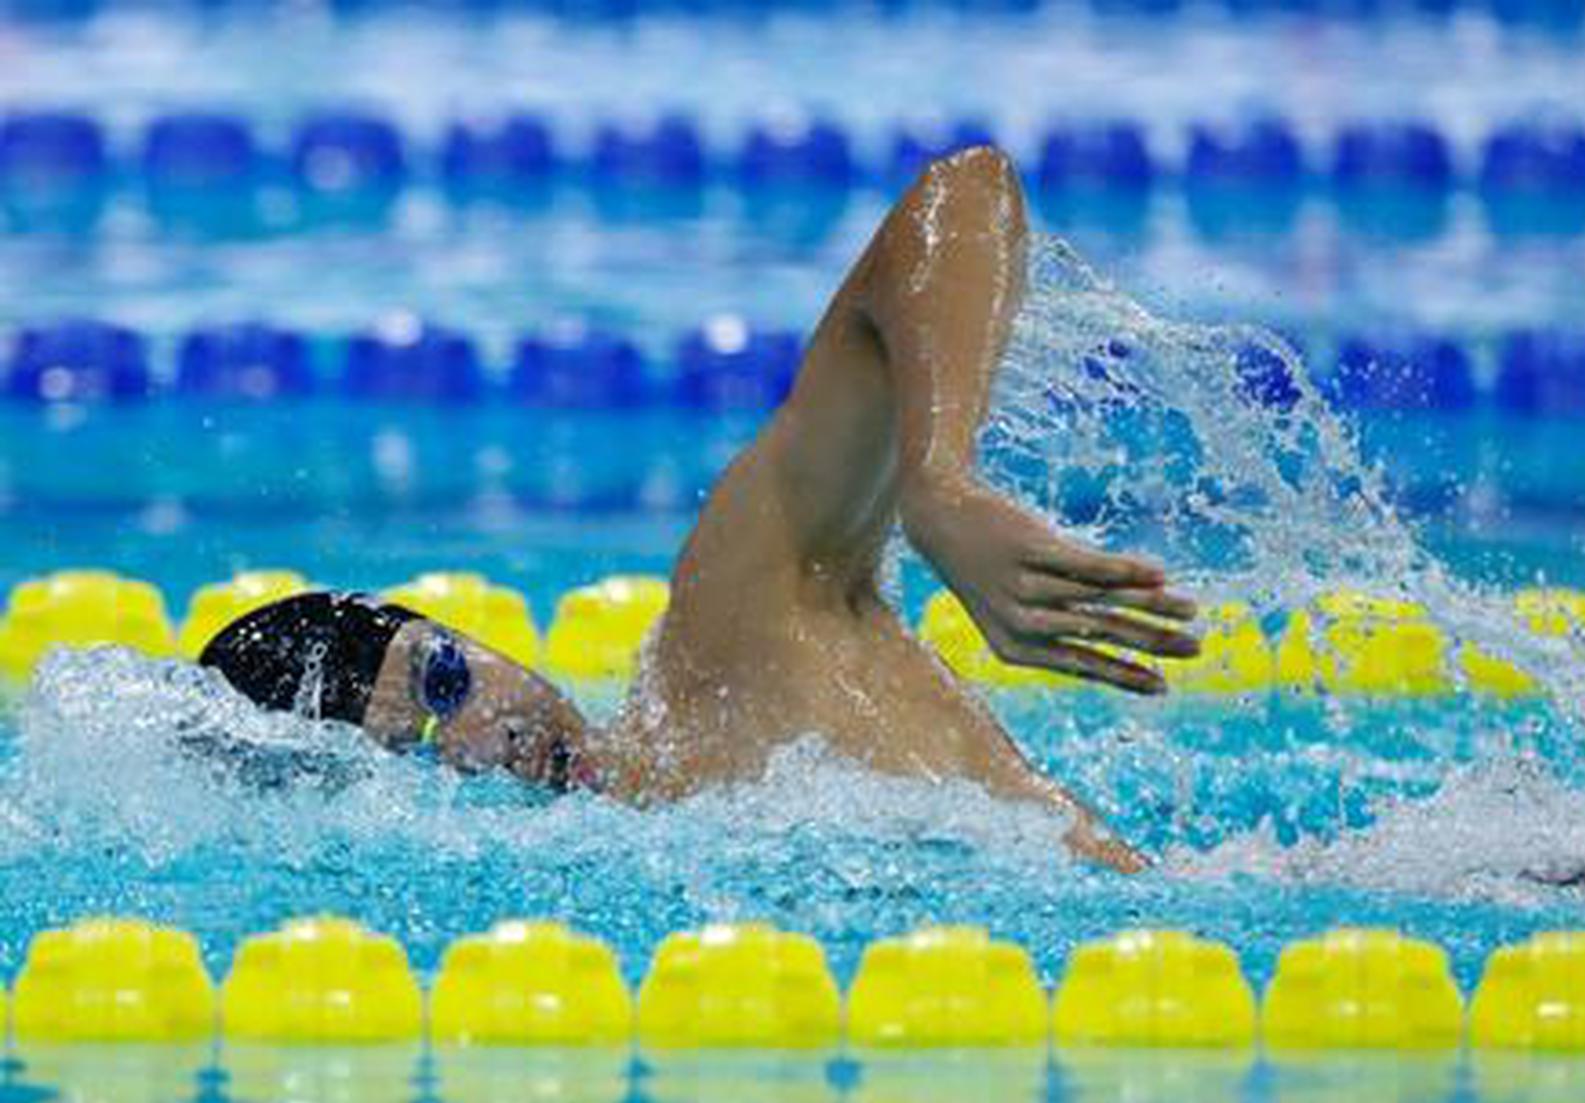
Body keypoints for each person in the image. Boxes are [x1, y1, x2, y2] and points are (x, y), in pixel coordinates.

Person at [200, 147, 1201, 871]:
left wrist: (938, 480)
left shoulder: (727, 644)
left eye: (448, 678)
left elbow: (962, 192)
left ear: (474, 638)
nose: (480, 744)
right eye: (415, 759)